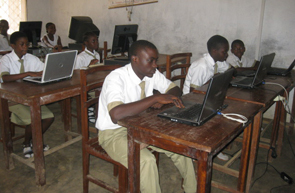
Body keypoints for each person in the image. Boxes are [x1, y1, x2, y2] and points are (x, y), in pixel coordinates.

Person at [96, 40, 197, 193]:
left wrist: (163, 99)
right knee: (146, 161)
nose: (155, 65)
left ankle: (192, 189)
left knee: (180, 146)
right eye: (151, 60)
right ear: (135, 59)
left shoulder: (151, 73)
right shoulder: (116, 78)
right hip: (113, 133)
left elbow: (175, 89)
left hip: (142, 126)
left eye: (155, 60)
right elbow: (116, 114)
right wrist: (154, 99)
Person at [0, 31, 54, 158]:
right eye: (21, 44)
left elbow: (43, 69)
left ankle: (32, 141)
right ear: (12, 45)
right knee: (33, 118)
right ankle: (26, 144)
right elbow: (5, 78)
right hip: (11, 99)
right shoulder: (5, 59)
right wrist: (28, 73)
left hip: (29, 98)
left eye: (27, 44)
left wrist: (45, 71)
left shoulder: (31, 58)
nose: (25, 47)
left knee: (49, 117)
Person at [183, 35, 231, 161]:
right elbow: (193, 93)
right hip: (191, 101)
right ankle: (200, 149)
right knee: (217, 117)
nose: (226, 54)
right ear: (214, 51)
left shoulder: (215, 61)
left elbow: (230, 70)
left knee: (223, 111)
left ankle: (214, 147)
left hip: (205, 97)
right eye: (224, 51)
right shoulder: (201, 66)